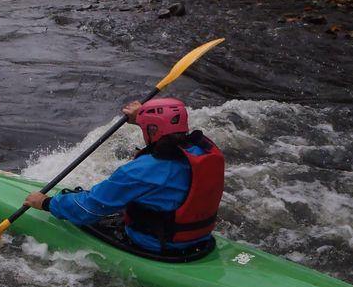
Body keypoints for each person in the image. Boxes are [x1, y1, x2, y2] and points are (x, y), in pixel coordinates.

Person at [23, 98, 224, 254]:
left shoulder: (139, 171)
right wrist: (143, 118)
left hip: (157, 245)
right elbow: (166, 137)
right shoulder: (205, 150)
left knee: (97, 207)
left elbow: (90, 208)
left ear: (152, 129)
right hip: (198, 238)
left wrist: (47, 203)